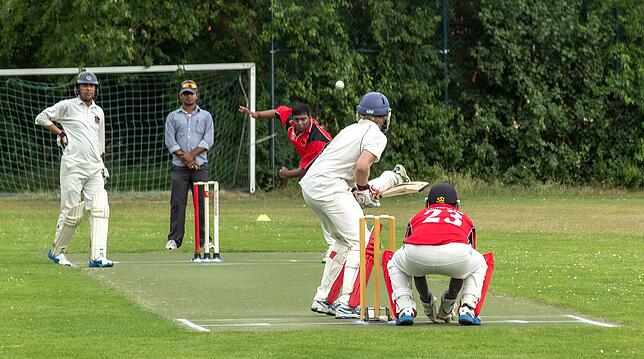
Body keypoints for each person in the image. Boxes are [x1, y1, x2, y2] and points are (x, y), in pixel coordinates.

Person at [240, 102, 410, 262]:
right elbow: (278, 113)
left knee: (349, 237)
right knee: (357, 241)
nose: (299, 123)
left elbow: (357, 167)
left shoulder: (319, 139)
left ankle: (394, 176)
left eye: (303, 120)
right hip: (328, 180)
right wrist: (256, 114)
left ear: (311, 118)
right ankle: (337, 286)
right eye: (296, 120)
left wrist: (287, 174)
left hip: (326, 178)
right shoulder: (291, 121)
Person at [300, 91, 398, 318]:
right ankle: (347, 302)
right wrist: (363, 191)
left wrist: (357, 190)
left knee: (342, 242)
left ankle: (323, 298)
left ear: (360, 113)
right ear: (385, 117)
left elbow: (343, 166)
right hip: (331, 187)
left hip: (311, 186)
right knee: (361, 242)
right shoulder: (376, 135)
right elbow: (362, 167)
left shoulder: (349, 129)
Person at [35, 70, 113, 267]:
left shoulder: (98, 112)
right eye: (84, 86)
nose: (88, 89)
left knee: (100, 208)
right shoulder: (67, 106)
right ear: (78, 88)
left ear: (95, 89)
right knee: (70, 211)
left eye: (91, 86)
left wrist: (102, 165)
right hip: (73, 166)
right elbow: (41, 118)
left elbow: (99, 143)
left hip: (95, 167)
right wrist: (59, 131)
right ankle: (57, 252)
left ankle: (97, 256)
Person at [386, 183, 488, 326]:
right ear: (456, 204)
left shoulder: (418, 216)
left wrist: (427, 302)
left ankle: (405, 308)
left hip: (416, 254)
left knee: (394, 262)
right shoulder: (465, 218)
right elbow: (461, 273)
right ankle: (467, 308)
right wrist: (448, 304)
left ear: (427, 203)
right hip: (456, 254)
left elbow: (415, 268)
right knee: (479, 263)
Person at [164, 80, 215, 251]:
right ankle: (174, 240)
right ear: (180, 95)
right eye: (185, 93)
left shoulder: (206, 116)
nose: (188, 96)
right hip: (179, 167)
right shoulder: (173, 116)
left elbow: (208, 140)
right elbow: (170, 141)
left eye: (191, 93)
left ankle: (205, 239)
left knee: (201, 203)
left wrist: (191, 156)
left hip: (200, 165)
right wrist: (185, 158)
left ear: (196, 95)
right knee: (177, 203)